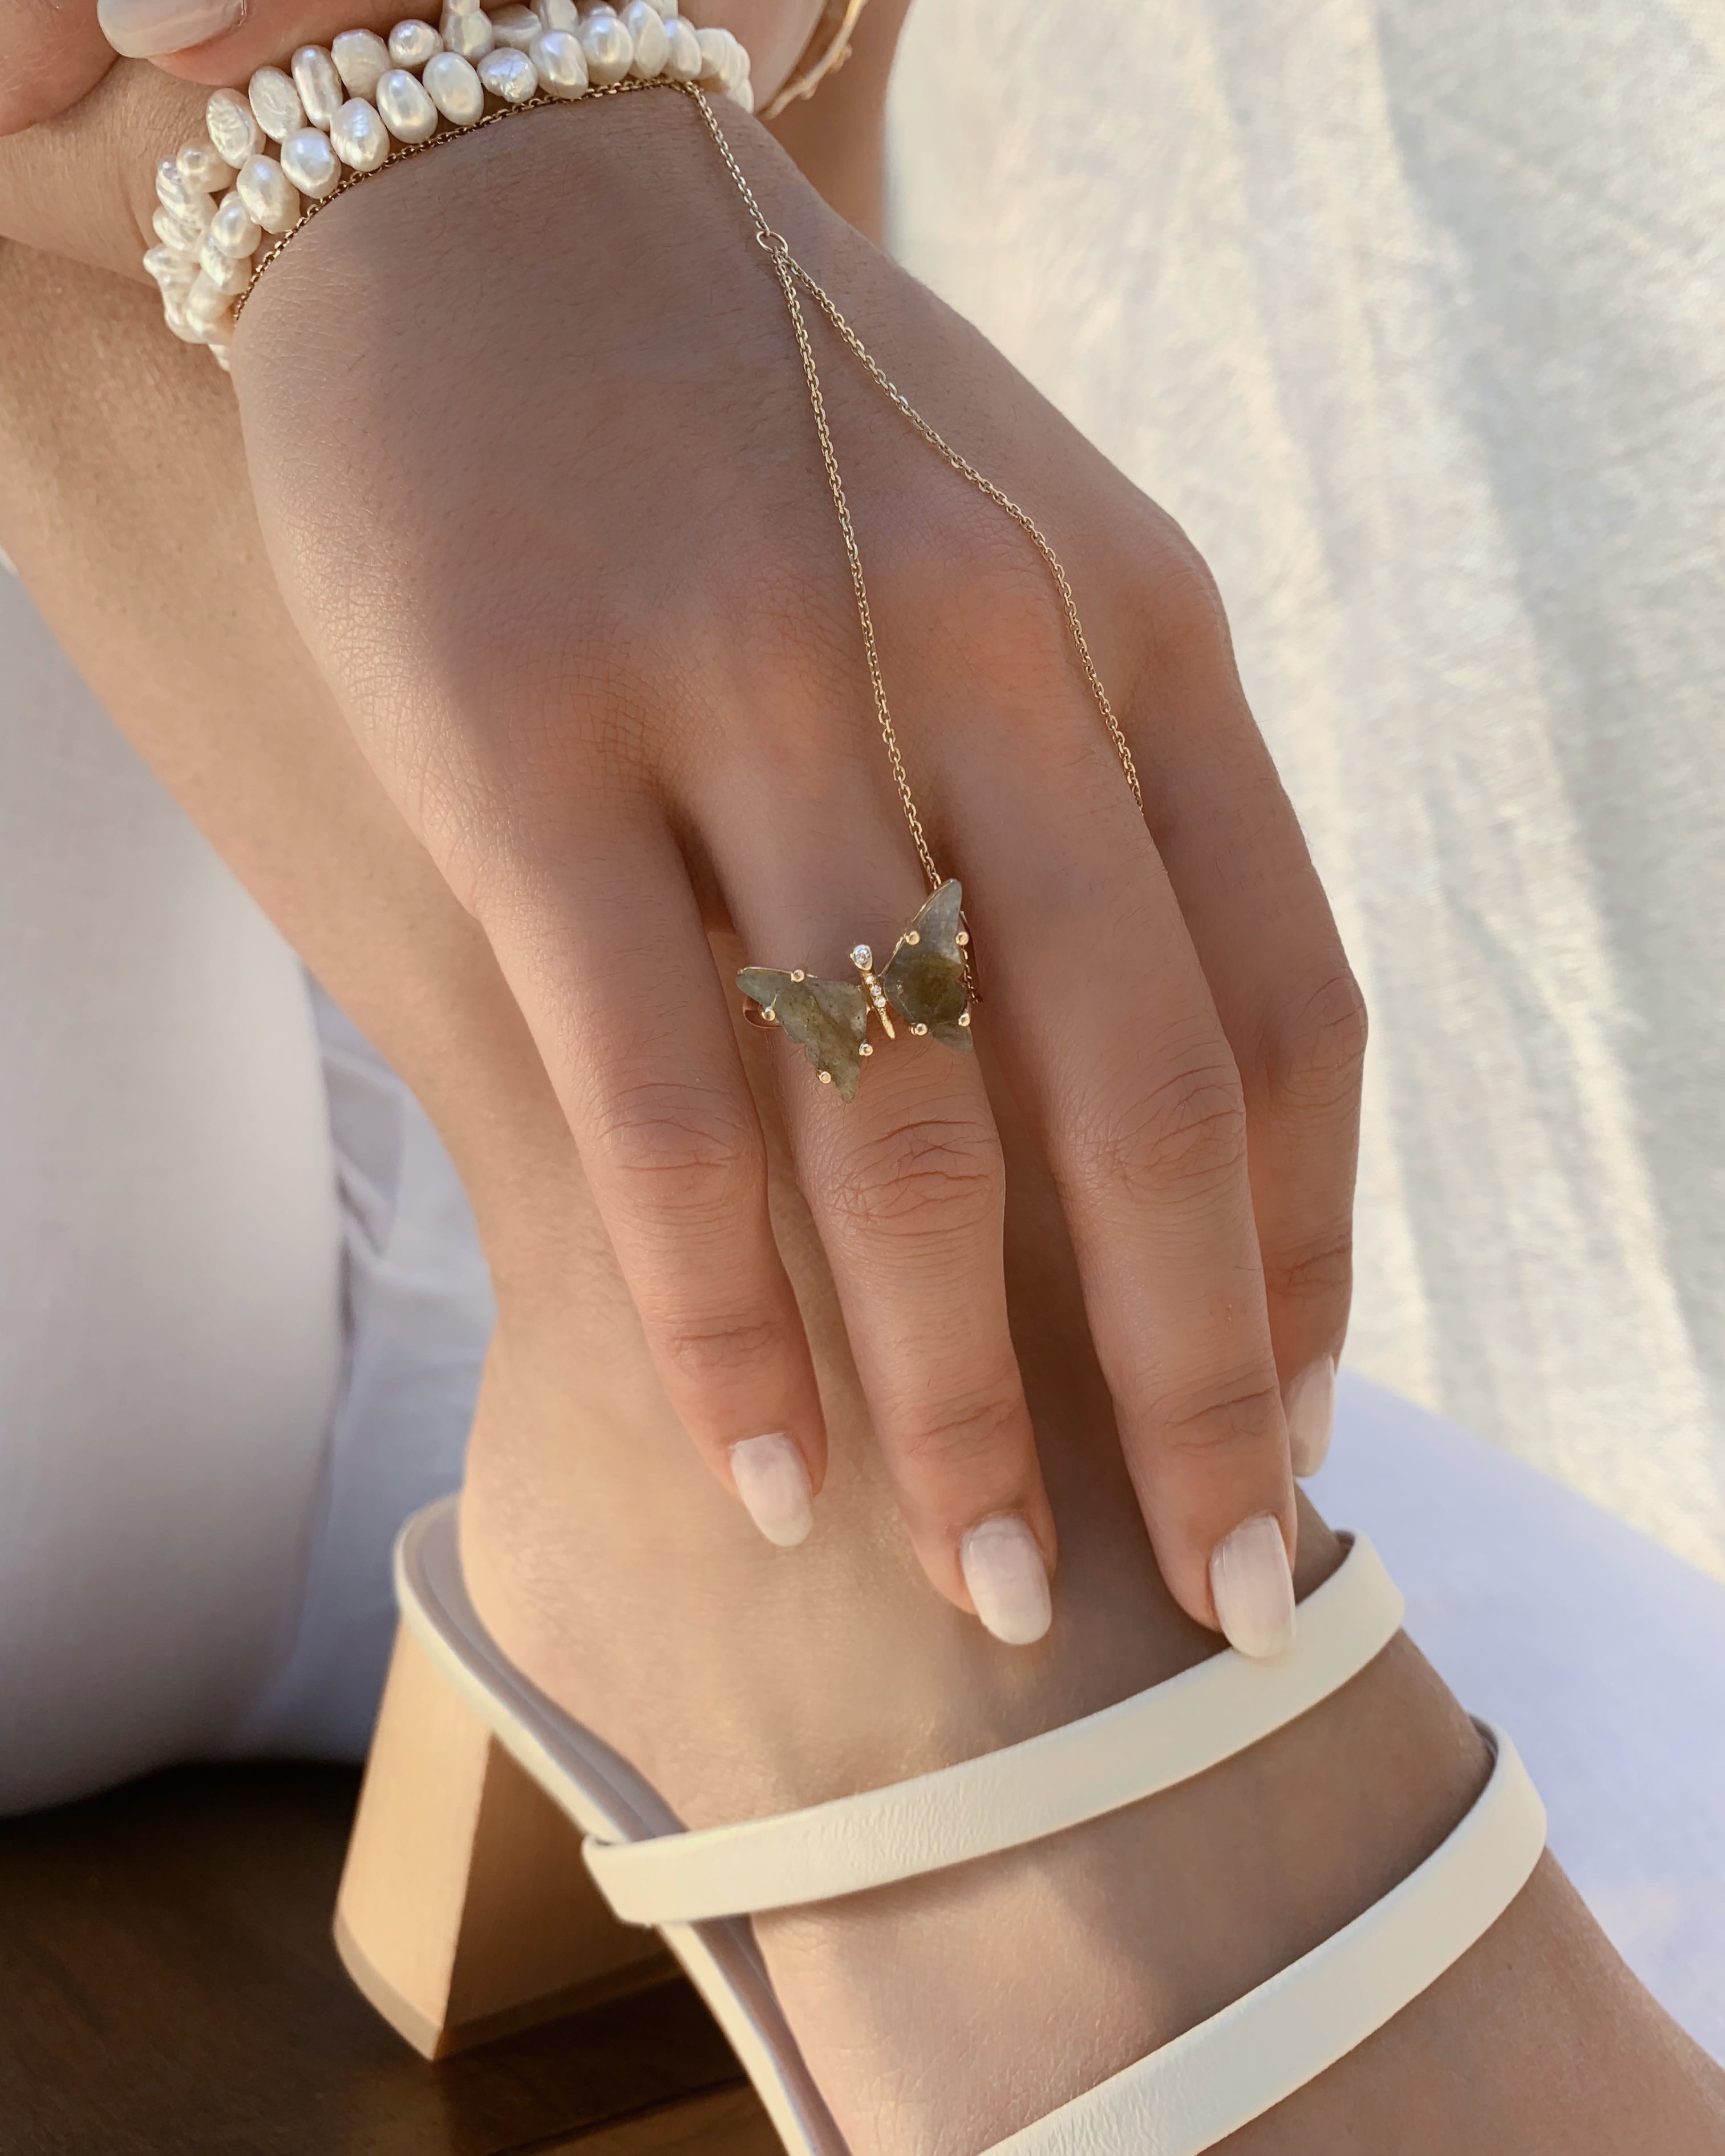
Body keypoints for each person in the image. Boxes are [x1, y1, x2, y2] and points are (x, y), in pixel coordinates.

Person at [1, 2, 1722, 2146]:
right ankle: (847, 1544)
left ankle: (789, 1477)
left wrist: (544, 81)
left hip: (788, 1132)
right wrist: (410, 136)